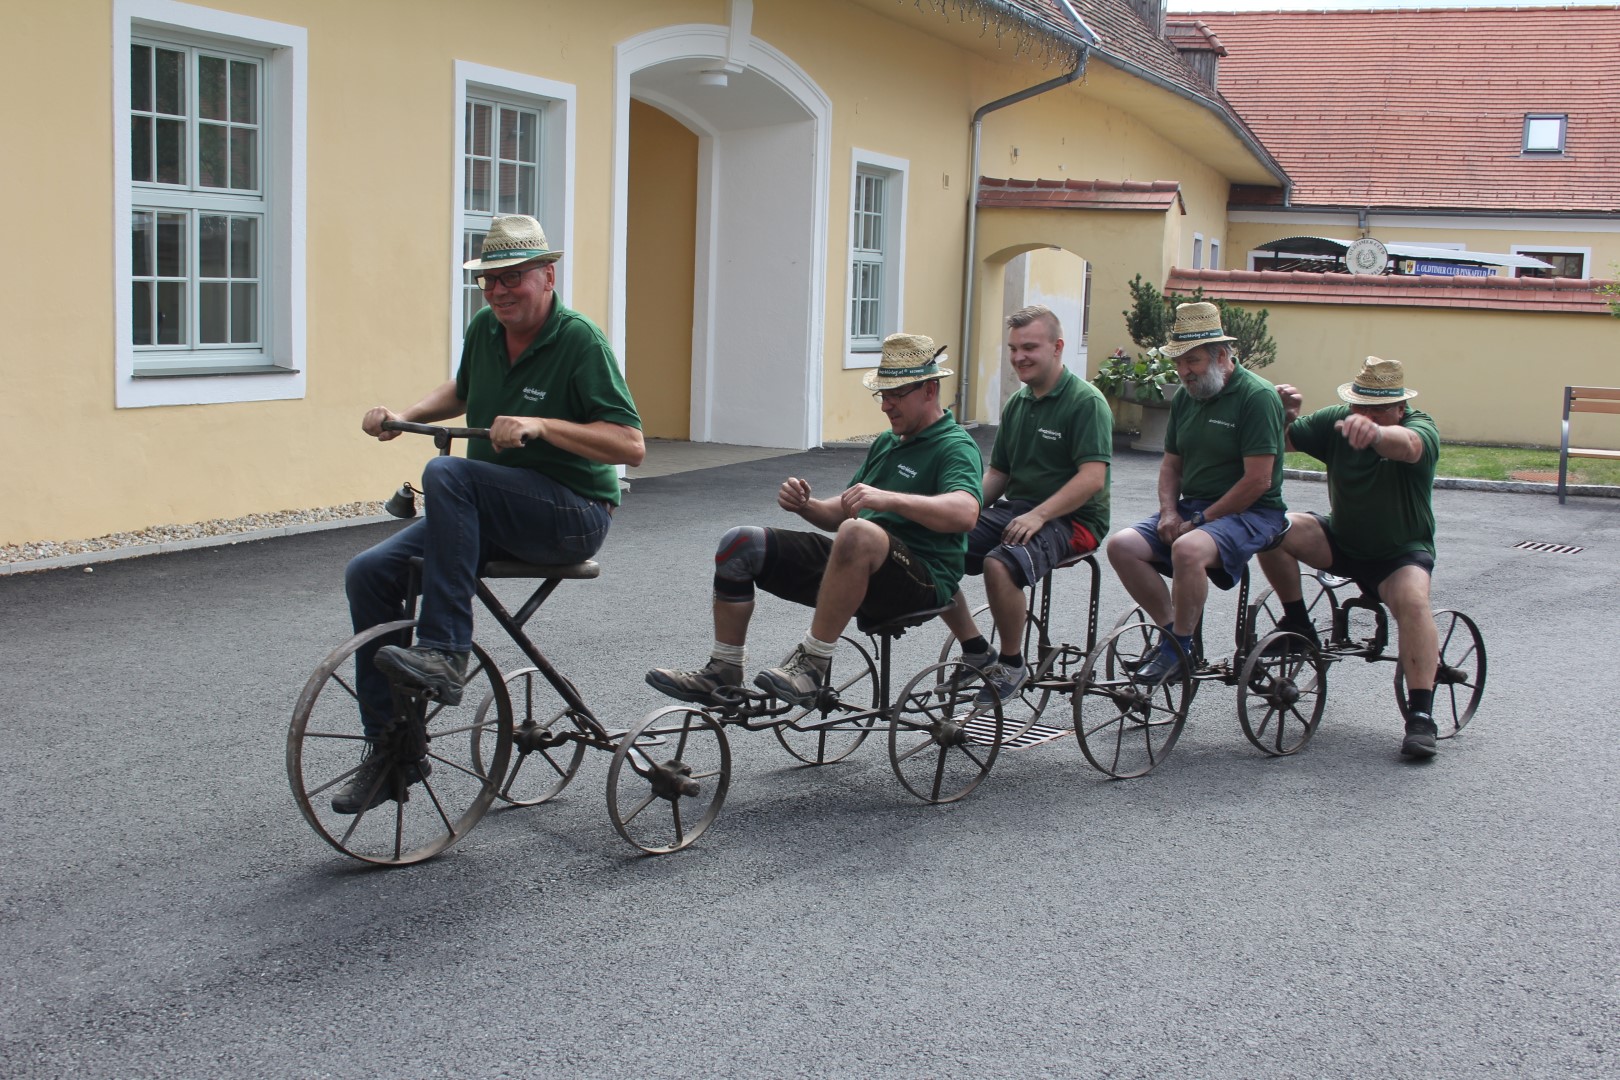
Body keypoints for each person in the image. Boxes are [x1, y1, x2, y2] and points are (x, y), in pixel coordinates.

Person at [337, 215, 644, 813]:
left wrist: (542, 425)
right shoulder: (485, 329)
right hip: (489, 506)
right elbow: (460, 390)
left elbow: (631, 445)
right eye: (490, 281)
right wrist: (402, 417)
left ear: (547, 276)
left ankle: (446, 652)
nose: (500, 291)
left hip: (572, 512)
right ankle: (393, 748)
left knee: (448, 472)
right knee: (368, 572)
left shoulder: (581, 340)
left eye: (514, 278)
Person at [646, 333, 982, 707]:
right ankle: (723, 669)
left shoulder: (955, 446)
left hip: (919, 581)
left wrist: (889, 500)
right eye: (882, 394)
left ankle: (812, 663)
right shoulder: (889, 442)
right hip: (859, 561)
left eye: (896, 394)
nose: (886, 405)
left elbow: (966, 513)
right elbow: (842, 512)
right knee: (740, 543)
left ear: (930, 390)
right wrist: (806, 505)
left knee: (857, 532)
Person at [1258, 356, 1443, 759]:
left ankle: (1421, 717)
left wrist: (1375, 433)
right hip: (1341, 540)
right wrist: (1284, 414)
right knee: (1270, 527)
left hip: (1398, 554)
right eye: (1360, 406)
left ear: (1401, 407)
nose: (1365, 415)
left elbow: (1409, 448)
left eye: (1378, 409)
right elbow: (1285, 440)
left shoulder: (1419, 427)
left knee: (1413, 602)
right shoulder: (1338, 420)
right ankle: (1298, 622)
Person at [1105, 301, 1287, 682]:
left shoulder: (1257, 396)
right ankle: (1174, 635)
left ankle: (1177, 648)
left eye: (1193, 361)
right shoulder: (1188, 397)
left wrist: (1201, 521)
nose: (1184, 371)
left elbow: (1258, 481)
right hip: (1196, 508)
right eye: (1180, 362)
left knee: (1188, 547)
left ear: (1221, 356)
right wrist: (1171, 512)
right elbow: (1171, 464)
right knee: (1122, 546)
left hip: (1253, 512)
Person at [938, 305, 1112, 703]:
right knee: (934, 542)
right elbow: (998, 474)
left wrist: (1040, 514)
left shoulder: (1086, 402)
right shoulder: (1018, 404)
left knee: (1001, 562)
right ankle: (978, 651)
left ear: (1057, 348)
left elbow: (1092, 479)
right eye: (1014, 348)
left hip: (1076, 520)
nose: (1019, 357)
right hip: (1022, 508)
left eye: (1029, 347)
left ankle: (1013, 665)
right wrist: (962, 509)